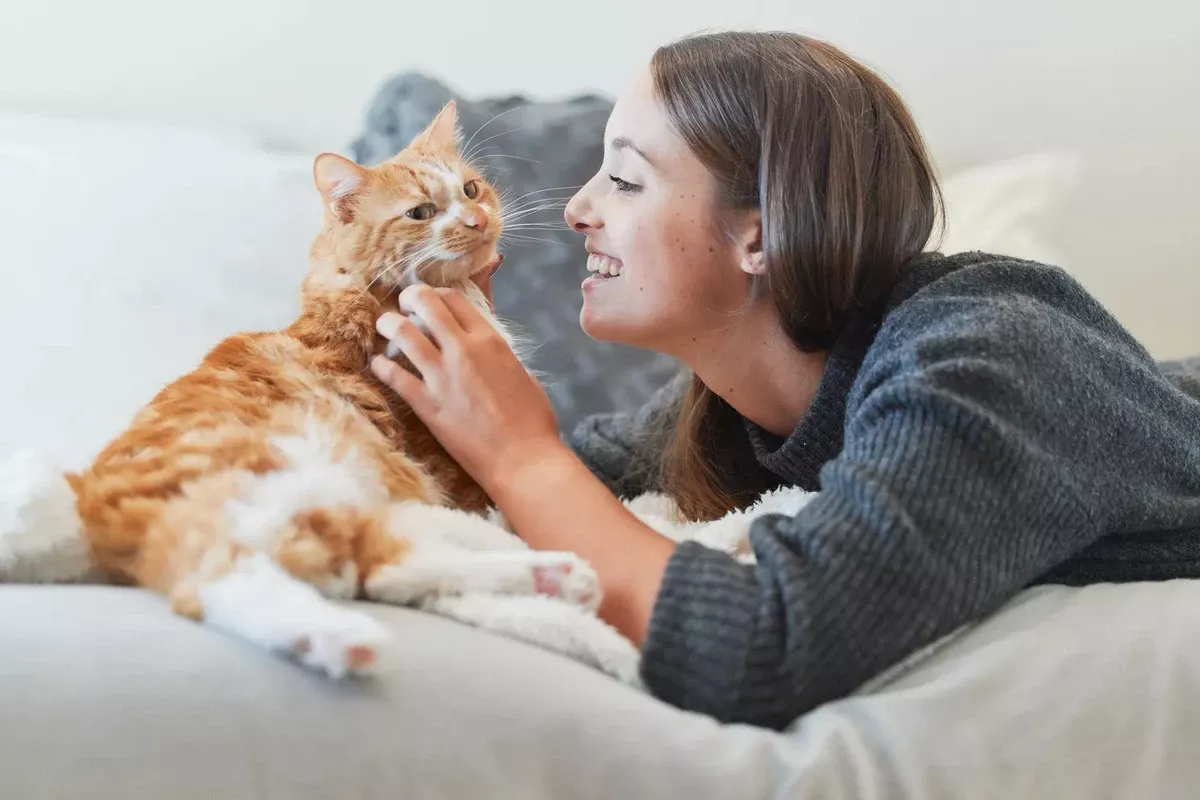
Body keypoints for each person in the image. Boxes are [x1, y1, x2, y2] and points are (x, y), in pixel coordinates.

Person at [369, 31, 1200, 731]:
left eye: (624, 179)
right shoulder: (724, 409)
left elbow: (761, 647)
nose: (579, 209)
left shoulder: (994, 356)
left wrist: (524, 453)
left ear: (759, 235)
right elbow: (486, 500)